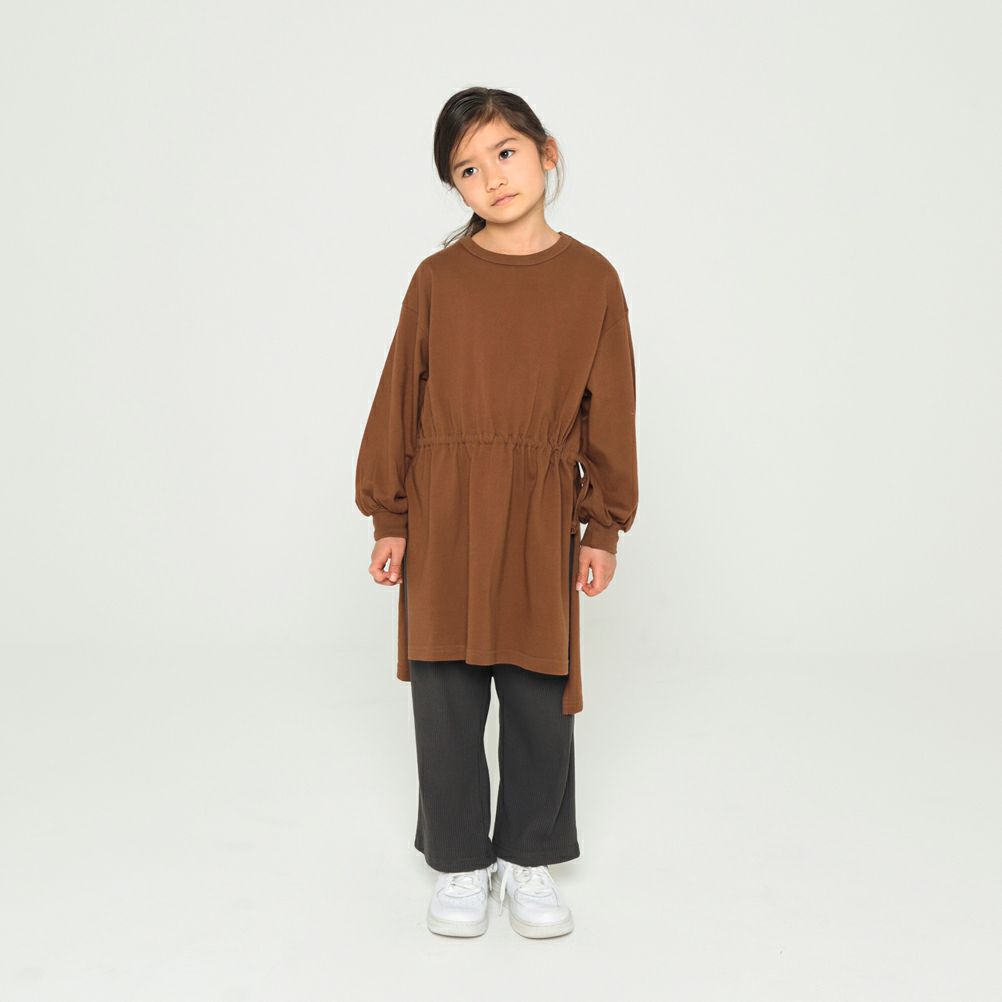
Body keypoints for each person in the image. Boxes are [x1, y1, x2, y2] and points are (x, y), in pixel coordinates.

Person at [354, 86, 639, 939]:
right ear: (457, 188)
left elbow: (610, 410)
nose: (492, 178)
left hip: (539, 508)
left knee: (537, 688)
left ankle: (527, 854)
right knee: (445, 689)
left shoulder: (592, 279)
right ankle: (459, 861)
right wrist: (390, 517)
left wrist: (602, 525)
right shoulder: (437, 280)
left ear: (546, 152)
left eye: (505, 153)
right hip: (443, 506)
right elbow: (398, 399)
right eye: (467, 170)